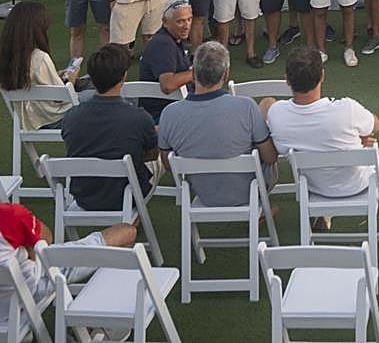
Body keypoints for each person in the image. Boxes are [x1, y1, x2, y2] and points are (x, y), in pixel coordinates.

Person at [265, 48, 379, 227]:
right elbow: (375, 125)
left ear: (287, 80)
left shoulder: (276, 114)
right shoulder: (346, 109)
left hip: (313, 187)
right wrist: (358, 137)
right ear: (322, 76)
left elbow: (268, 114)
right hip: (357, 183)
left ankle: (325, 212)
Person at [157, 41, 278, 207]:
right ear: (226, 74)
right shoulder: (246, 107)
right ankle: (264, 211)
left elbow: (168, 164)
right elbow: (270, 156)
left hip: (203, 193)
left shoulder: (169, 114)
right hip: (249, 192)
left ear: (193, 73)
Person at [0, 203, 135, 335]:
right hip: (29, 289)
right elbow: (46, 238)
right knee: (128, 233)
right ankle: (106, 321)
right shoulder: (9, 215)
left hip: (7, 305)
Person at [60, 44, 158, 212]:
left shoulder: (71, 117)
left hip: (85, 196)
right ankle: (133, 221)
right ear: (124, 76)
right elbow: (153, 154)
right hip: (126, 194)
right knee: (160, 154)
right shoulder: (139, 117)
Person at [0, 1, 84, 131]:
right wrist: (71, 81)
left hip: (29, 118)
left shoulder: (8, 57)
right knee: (106, 99)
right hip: (54, 117)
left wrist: (54, 75)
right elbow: (61, 98)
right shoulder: (39, 57)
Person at [137, 0, 194, 122]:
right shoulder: (163, 44)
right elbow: (167, 85)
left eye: (189, 19)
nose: (187, 26)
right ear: (165, 22)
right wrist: (196, 73)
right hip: (163, 114)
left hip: (171, 108)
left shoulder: (174, 39)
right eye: (180, 21)